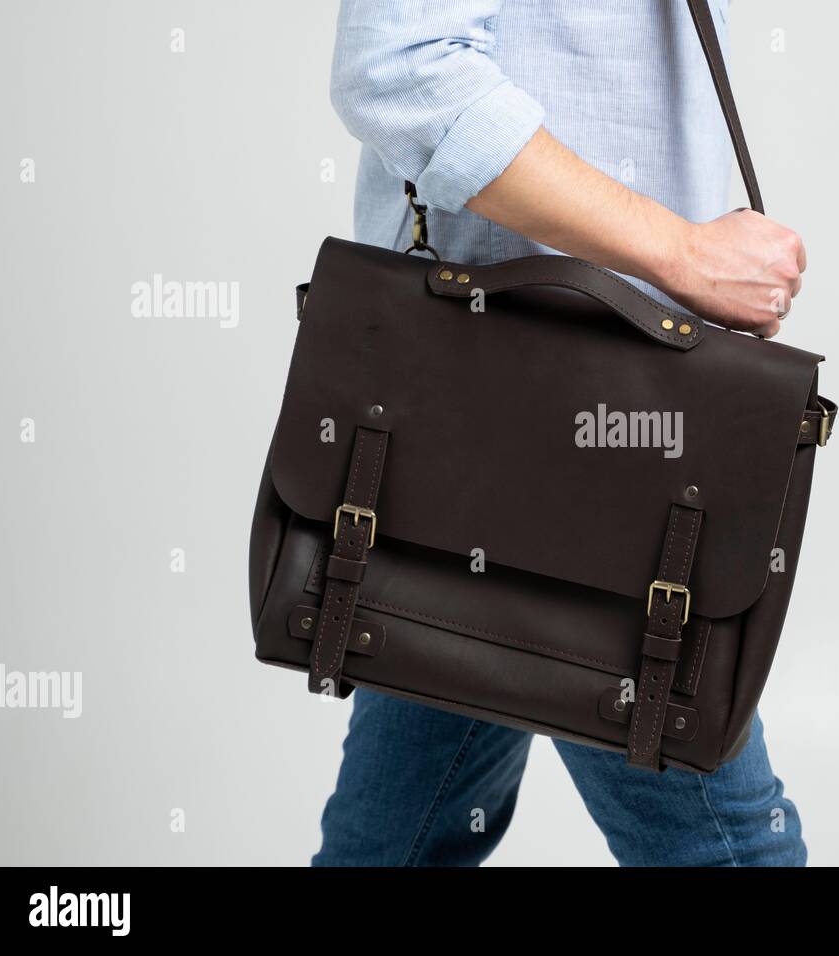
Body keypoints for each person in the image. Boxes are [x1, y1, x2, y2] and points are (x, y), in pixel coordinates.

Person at [314, 0, 808, 867]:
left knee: (399, 843)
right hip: (551, 436)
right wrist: (685, 256)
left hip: (527, 434)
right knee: (731, 851)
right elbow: (396, 63)